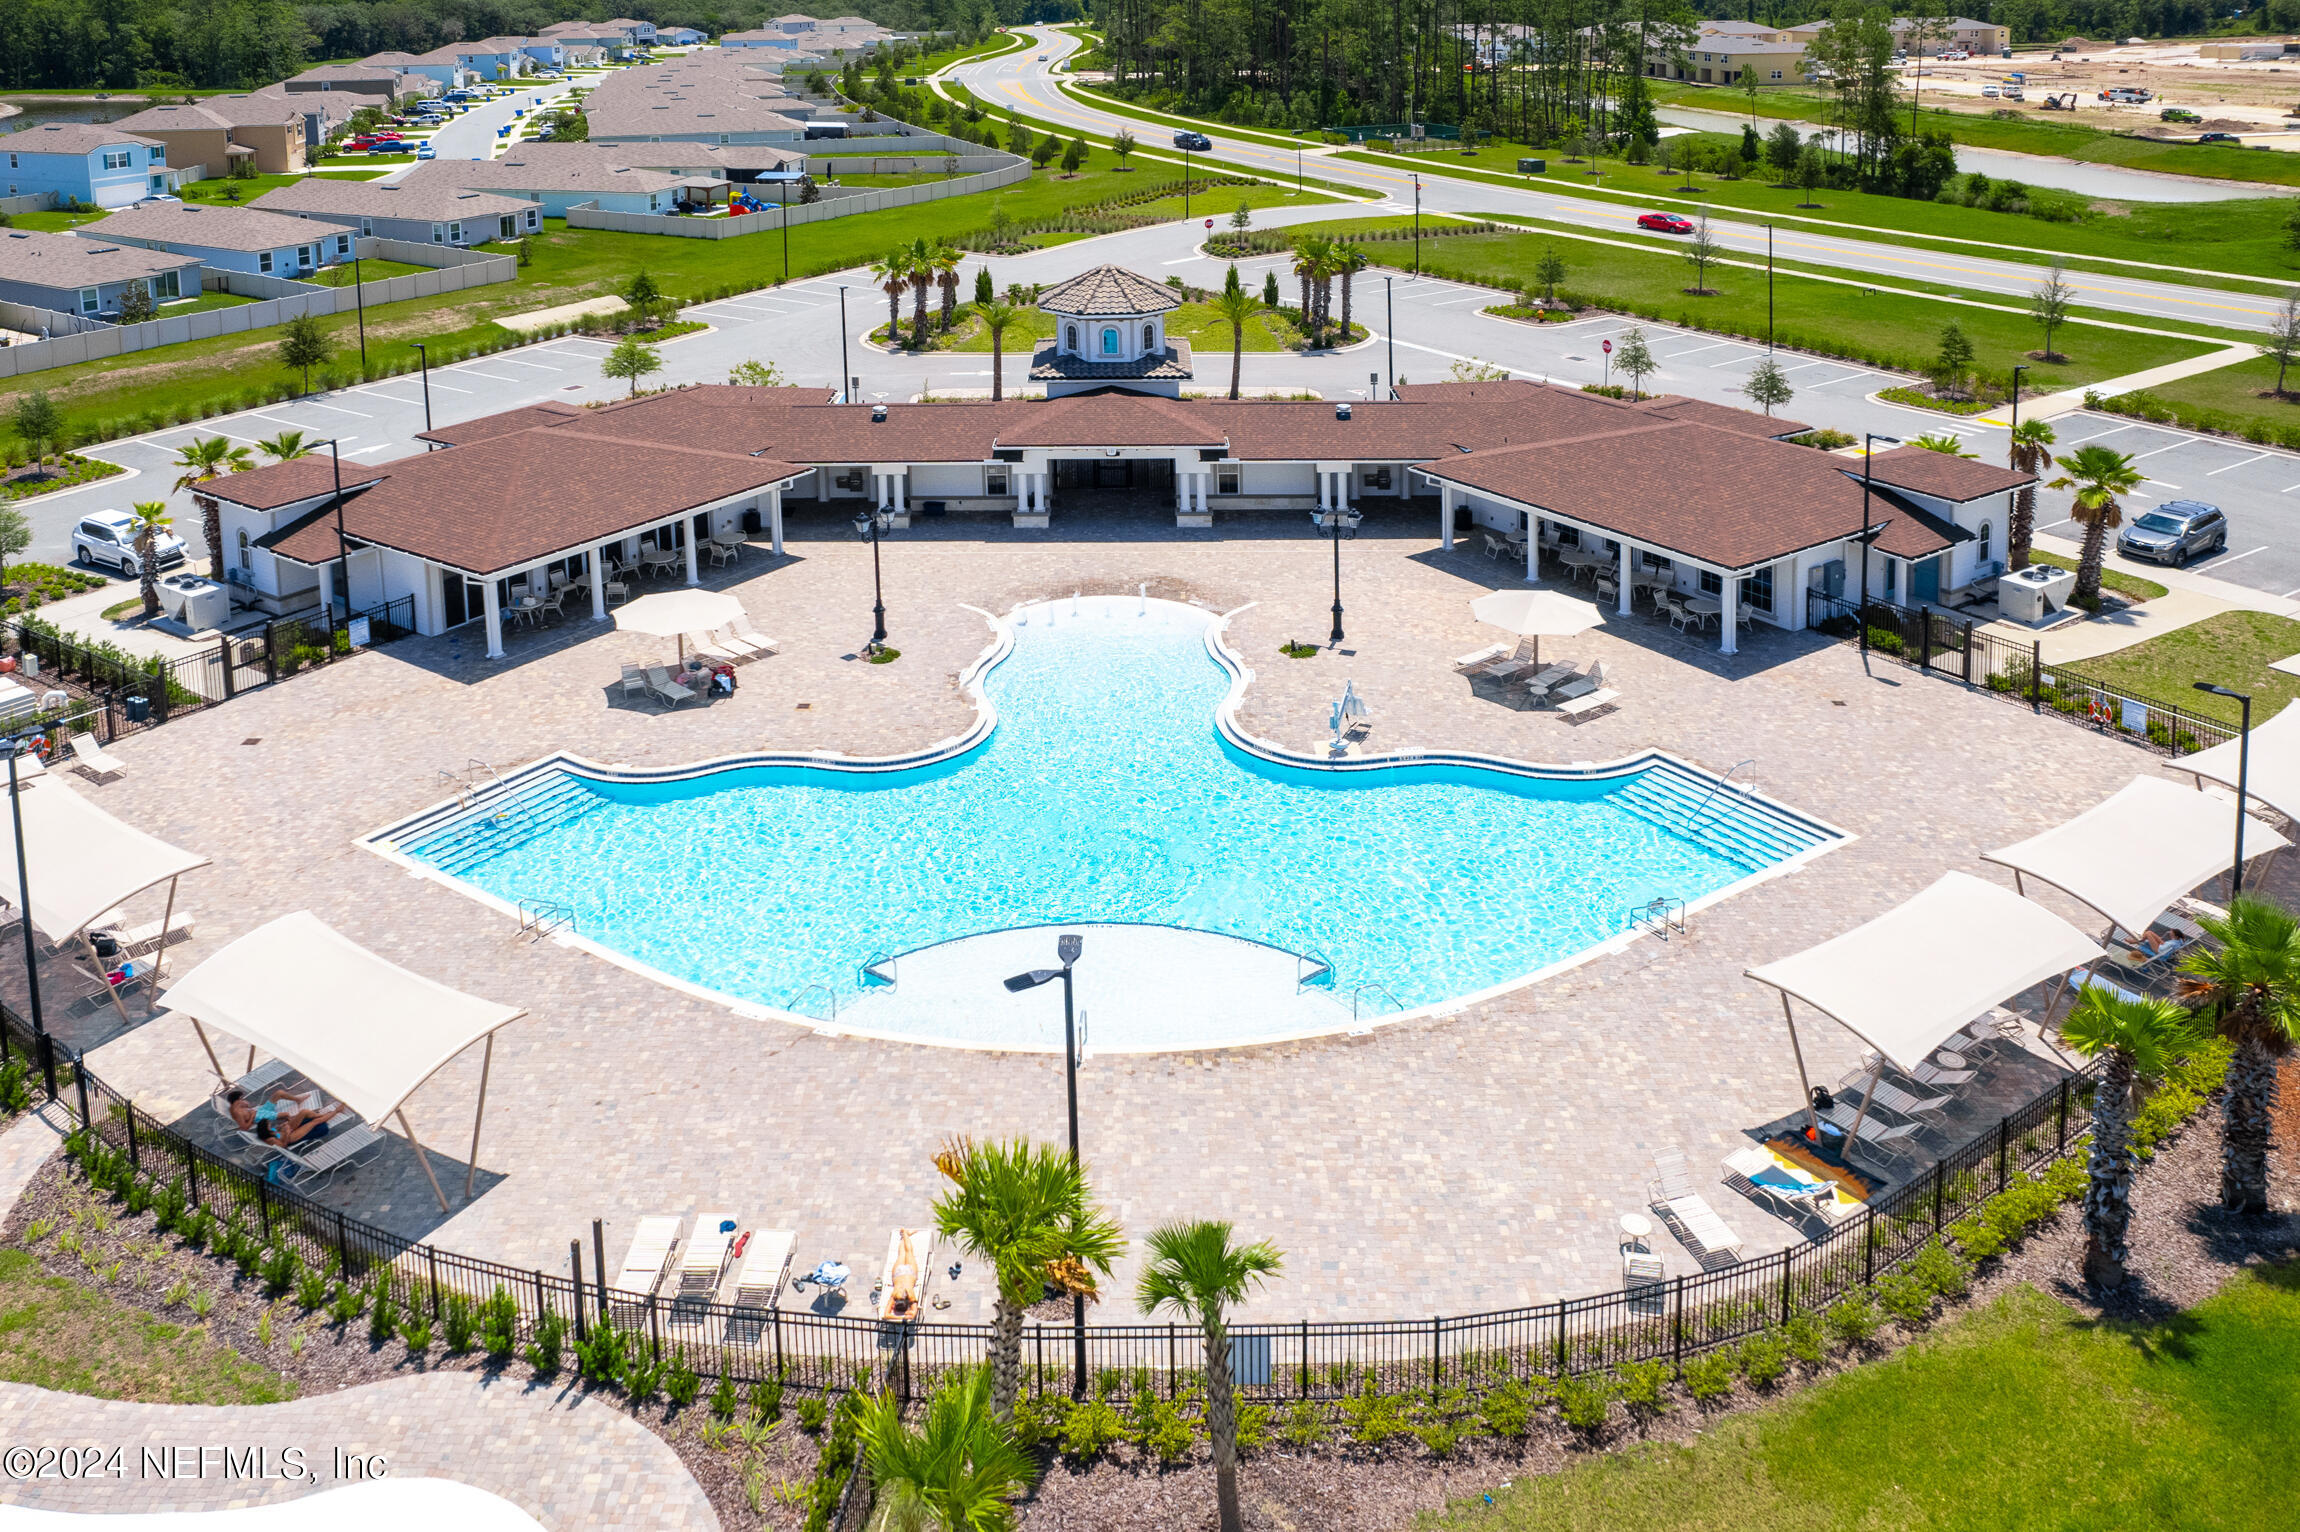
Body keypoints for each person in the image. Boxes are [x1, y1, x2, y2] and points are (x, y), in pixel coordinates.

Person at [256, 1103, 345, 1150]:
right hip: (290, 1137)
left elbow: (275, 1131)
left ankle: (323, 1115)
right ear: (265, 1129)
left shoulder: (268, 1132)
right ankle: (337, 1111)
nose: (270, 1124)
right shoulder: (270, 1140)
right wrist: (287, 1133)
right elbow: (284, 1146)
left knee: (304, 1112)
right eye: (269, 1125)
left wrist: (281, 1126)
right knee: (314, 1122)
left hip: (286, 1130)